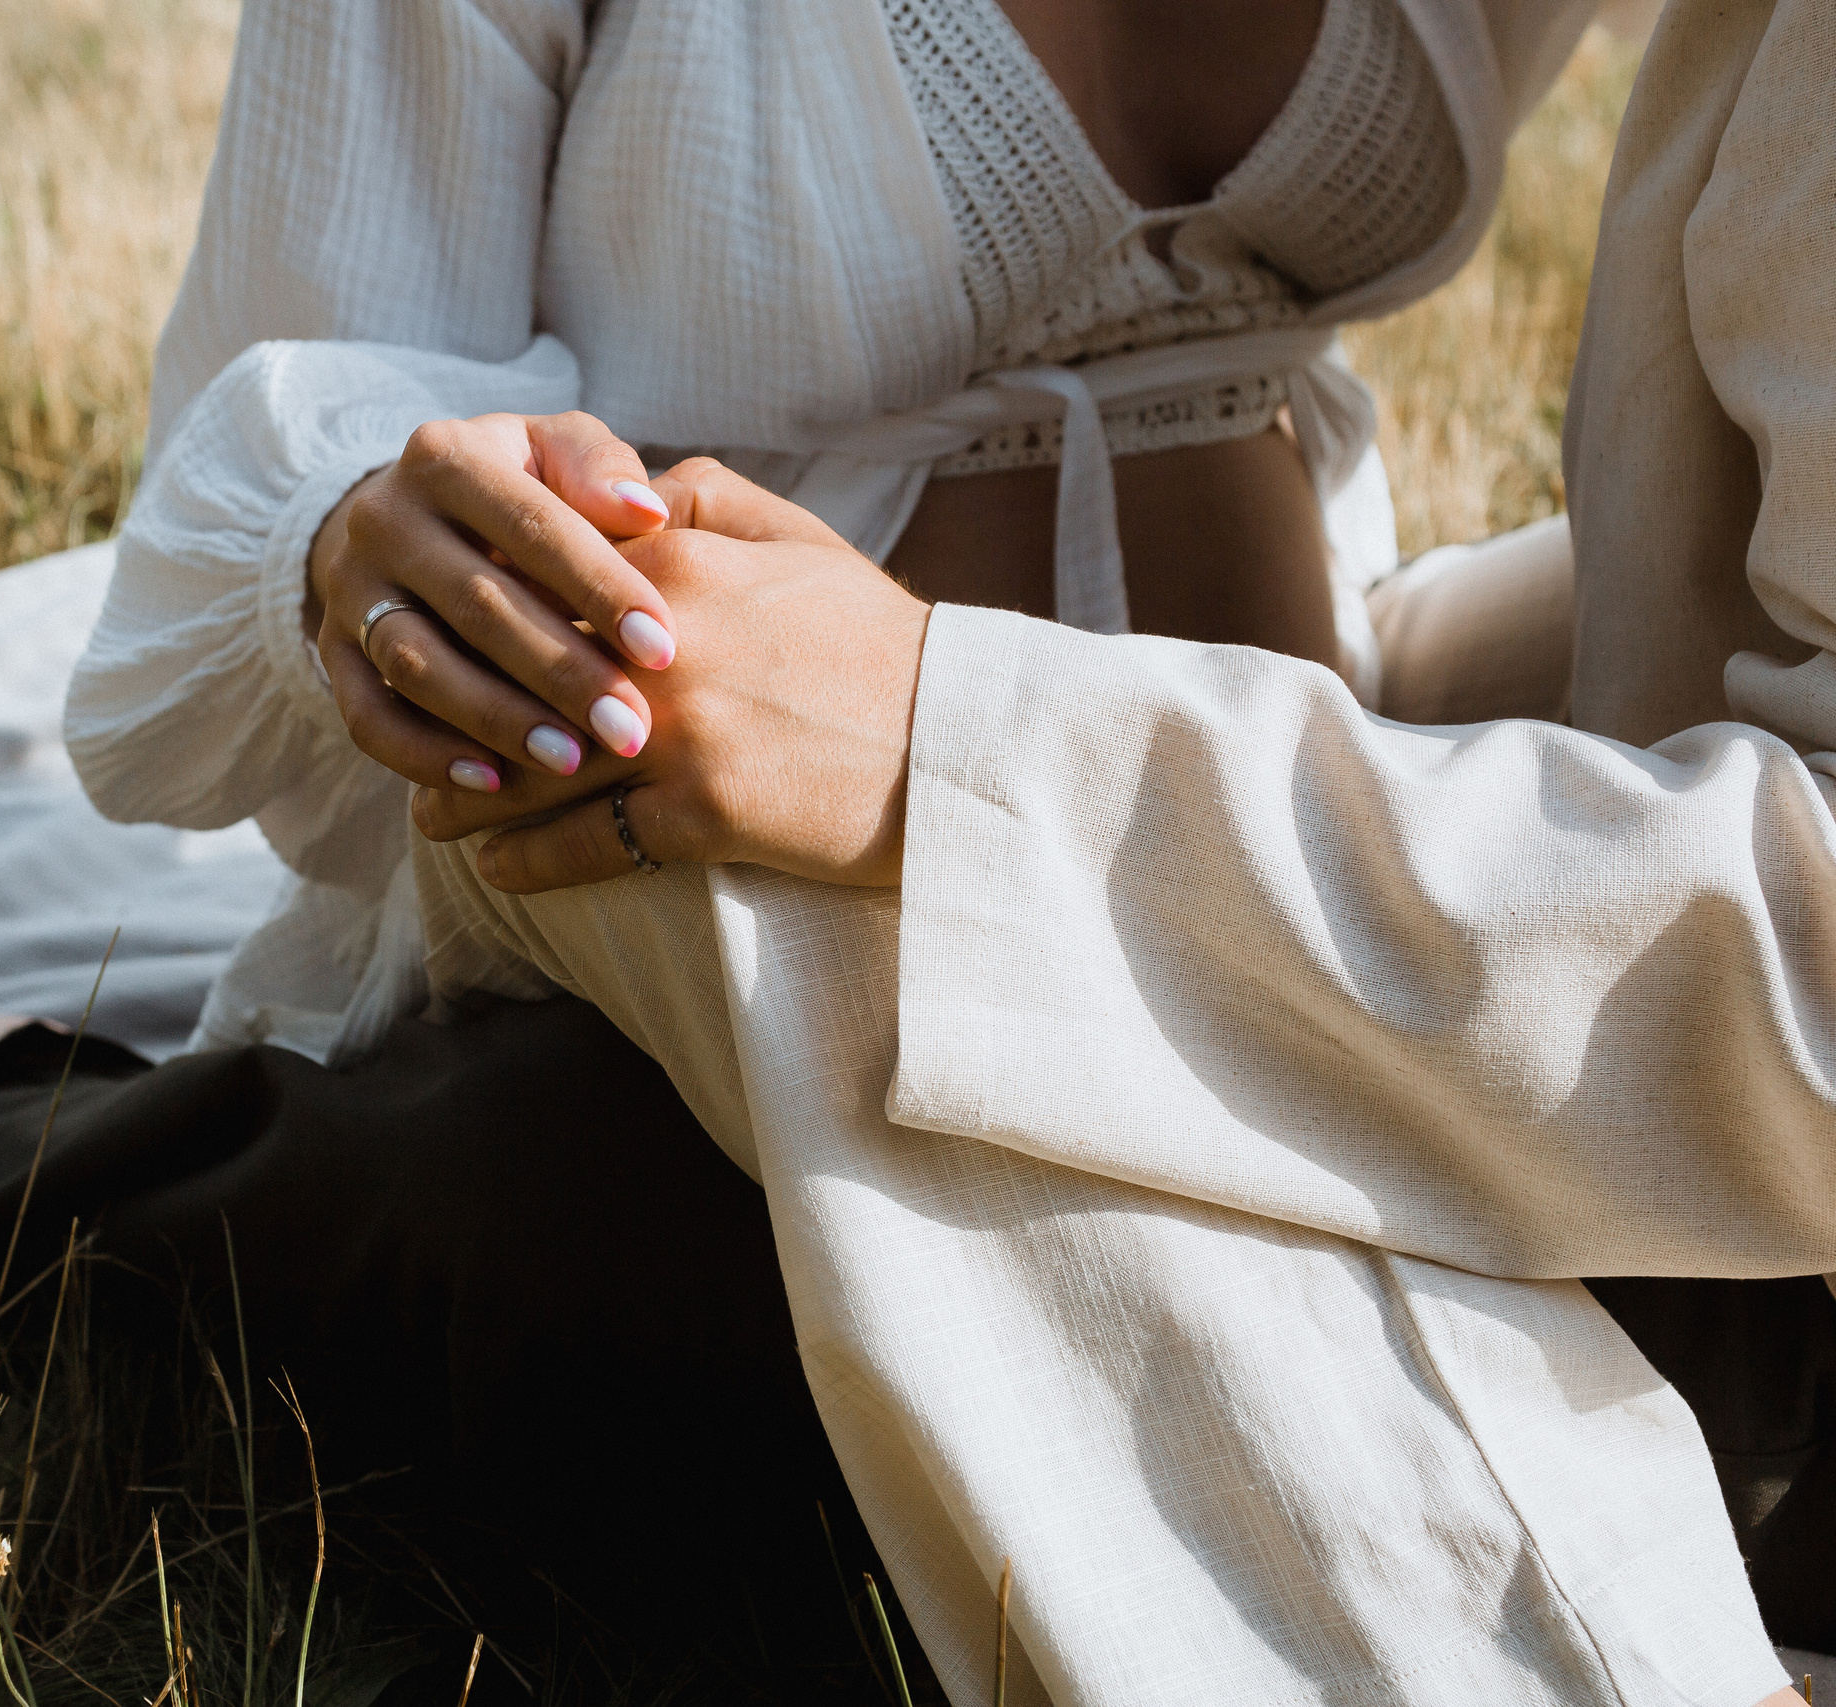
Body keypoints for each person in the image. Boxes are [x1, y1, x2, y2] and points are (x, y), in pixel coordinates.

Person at [352, 0, 1836, 1699]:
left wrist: (950, 745)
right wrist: (376, 553)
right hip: (690, 875)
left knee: (818, 900)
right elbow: (308, 409)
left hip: (1197, 891)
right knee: (669, 839)